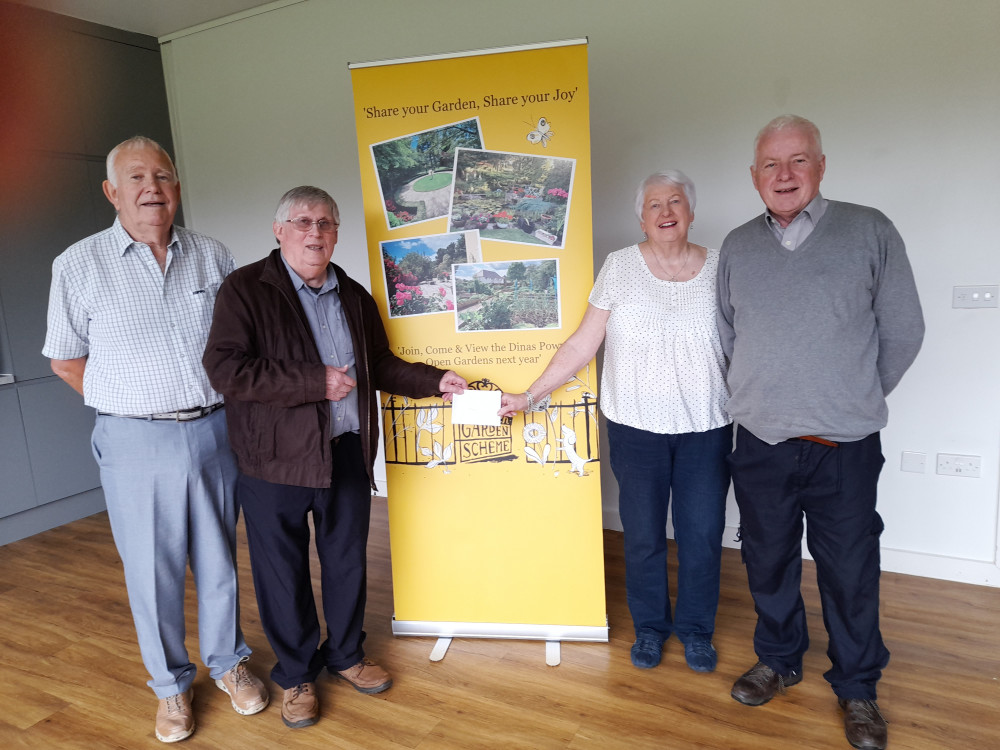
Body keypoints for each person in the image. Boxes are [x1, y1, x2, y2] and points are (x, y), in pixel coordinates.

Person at [202, 186, 467, 730]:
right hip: (272, 462)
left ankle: (346, 654)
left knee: (346, 561)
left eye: (325, 222)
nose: (315, 232)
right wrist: (311, 381)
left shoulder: (353, 294)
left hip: (344, 453)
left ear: (337, 232)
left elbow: (378, 364)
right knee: (283, 573)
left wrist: (434, 382)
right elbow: (226, 369)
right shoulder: (246, 289)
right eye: (302, 221)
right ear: (278, 230)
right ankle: (298, 673)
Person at [43, 136, 268, 744]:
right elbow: (66, 361)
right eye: (136, 178)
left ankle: (229, 664)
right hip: (134, 440)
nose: (152, 188)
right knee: (152, 569)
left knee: (220, 559)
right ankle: (171, 689)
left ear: (177, 187)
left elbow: (240, 345)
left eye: (163, 176)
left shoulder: (213, 255)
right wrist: (128, 402)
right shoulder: (77, 264)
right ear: (112, 193)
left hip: (214, 429)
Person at [718, 115, 924, 750]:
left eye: (798, 161)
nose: (785, 175)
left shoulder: (869, 230)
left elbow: (904, 331)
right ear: (755, 177)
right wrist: (761, 394)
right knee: (767, 559)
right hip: (761, 445)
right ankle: (778, 659)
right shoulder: (736, 245)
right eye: (771, 165)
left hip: (845, 447)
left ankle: (858, 687)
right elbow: (726, 335)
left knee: (850, 570)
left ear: (821, 166)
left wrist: (852, 395)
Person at [499, 170, 733, 674]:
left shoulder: (721, 265)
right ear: (641, 217)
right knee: (644, 534)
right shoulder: (621, 266)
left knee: (702, 534)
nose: (665, 211)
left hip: (707, 427)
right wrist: (530, 395)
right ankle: (650, 628)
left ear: (690, 212)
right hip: (635, 427)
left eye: (675, 202)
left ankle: (695, 630)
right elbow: (585, 342)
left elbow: (746, 342)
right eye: (654, 204)